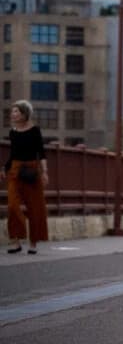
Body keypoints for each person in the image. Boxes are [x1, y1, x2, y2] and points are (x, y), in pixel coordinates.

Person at [3, 100, 49, 254]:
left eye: (16, 111)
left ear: (24, 114)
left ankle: (33, 244)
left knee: (35, 208)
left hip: (31, 170)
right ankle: (16, 241)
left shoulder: (35, 130)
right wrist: (5, 168)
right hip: (15, 170)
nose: (12, 114)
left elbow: (41, 152)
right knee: (12, 206)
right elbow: (13, 154)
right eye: (12, 111)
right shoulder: (13, 132)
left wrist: (44, 172)